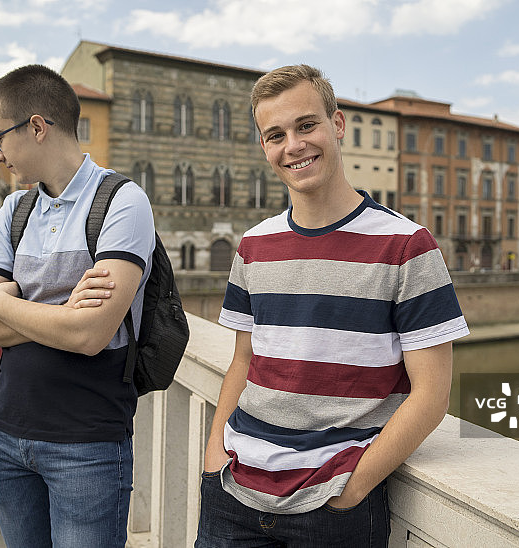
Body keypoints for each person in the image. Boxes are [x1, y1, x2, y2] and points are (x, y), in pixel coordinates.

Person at [195, 65, 470, 547]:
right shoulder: (254, 246)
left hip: (332, 511)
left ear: (337, 125)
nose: (293, 145)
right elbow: (245, 360)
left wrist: (352, 488)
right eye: (275, 135)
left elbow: (432, 396)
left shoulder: (407, 245)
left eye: (306, 125)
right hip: (233, 494)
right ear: (265, 148)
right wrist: (214, 452)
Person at [0, 64, 153, 547]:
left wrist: (6, 301)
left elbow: (89, 336)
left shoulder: (122, 201)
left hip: (86, 444)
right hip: (5, 435)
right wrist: (63, 313)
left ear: (36, 126)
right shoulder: (14, 209)